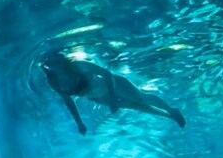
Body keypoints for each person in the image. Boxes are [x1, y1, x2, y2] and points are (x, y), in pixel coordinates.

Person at [39, 50, 186, 135]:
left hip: (114, 85)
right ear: (47, 66)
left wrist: (113, 98)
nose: (55, 65)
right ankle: (170, 115)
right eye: (50, 63)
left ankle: (172, 110)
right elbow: (68, 101)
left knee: (141, 98)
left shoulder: (78, 66)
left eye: (56, 60)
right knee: (138, 106)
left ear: (62, 59)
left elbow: (107, 74)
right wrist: (79, 123)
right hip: (98, 97)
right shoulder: (52, 81)